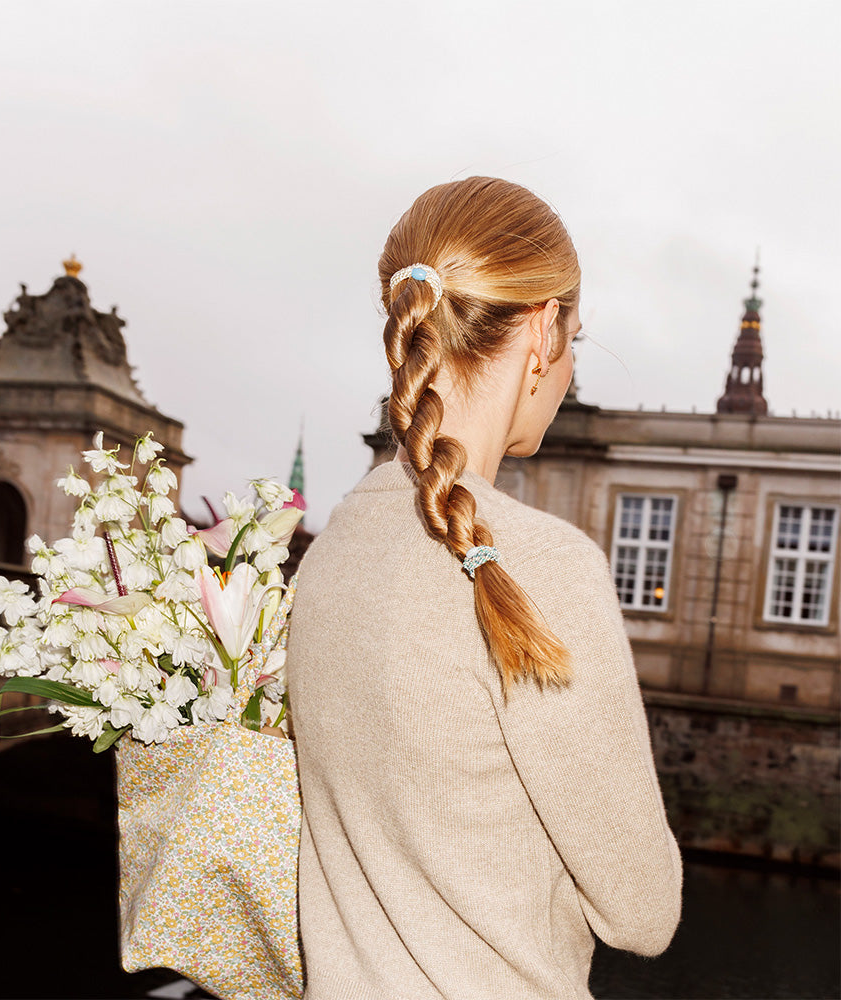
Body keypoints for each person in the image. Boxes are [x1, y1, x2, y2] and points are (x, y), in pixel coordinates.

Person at [287, 177, 682, 1000]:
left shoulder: (335, 543)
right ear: (543, 330)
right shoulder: (544, 566)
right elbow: (644, 911)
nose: (571, 367)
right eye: (576, 335)